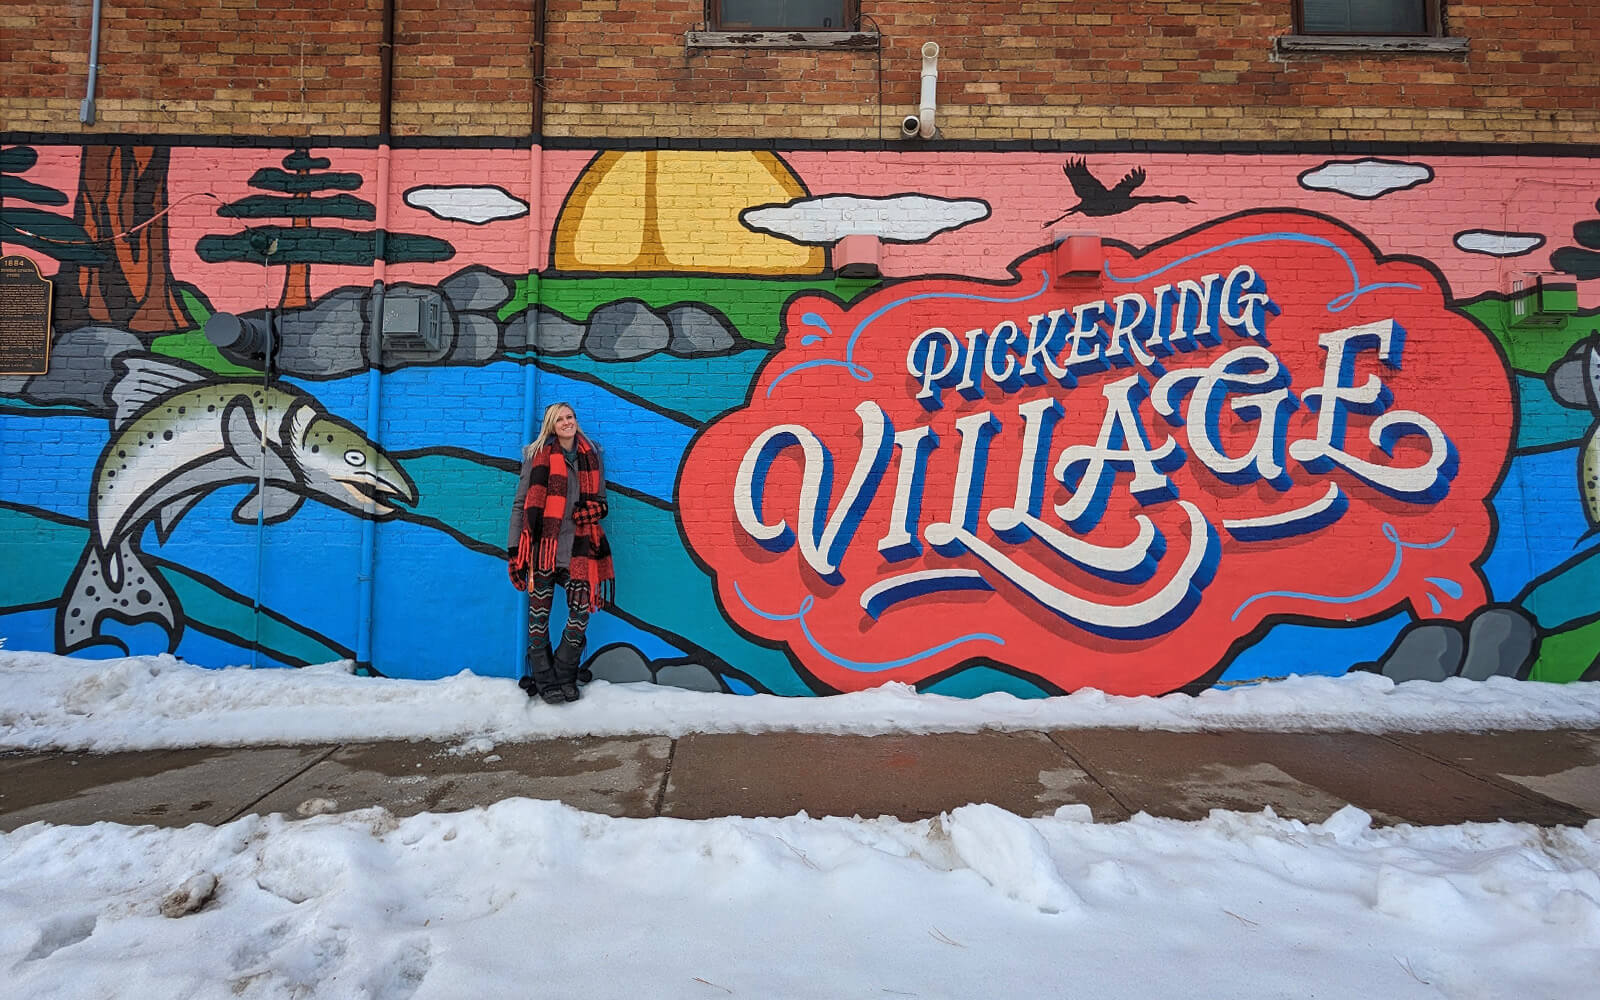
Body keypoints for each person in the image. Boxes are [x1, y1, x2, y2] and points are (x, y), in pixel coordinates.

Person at [506, 402, 613, 704]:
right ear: (552, 426)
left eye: (571, 417)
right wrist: (515, 551)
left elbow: (602, 503)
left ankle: (565, 674)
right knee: (538, 618)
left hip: (579, 548)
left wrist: (590, 510)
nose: (568, 422)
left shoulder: (592, 456)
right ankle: (545, 679)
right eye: (561, 419)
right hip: (542, 549)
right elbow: (520, 504)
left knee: (579, 615)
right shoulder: (537, 457)